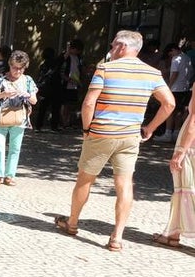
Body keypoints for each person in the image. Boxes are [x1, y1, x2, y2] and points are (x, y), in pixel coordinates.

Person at [54, 30, 175, 252]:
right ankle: (117, 237)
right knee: (125, 184)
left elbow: (89, 103)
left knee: (85, 179)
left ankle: (72, 223)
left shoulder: (106, 69)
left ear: (121, 47)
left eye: (112, 46)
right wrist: (150, 128)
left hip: (101, 133)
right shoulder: (152, 73)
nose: (110, 50)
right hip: (129, 136)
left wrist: (86, 129)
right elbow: (169, 104)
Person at [0, 50, 38, 187]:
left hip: (19, 118)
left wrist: (27, 94)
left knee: (15, 148)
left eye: (21, 68)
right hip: (1, 117)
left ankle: (10, 176)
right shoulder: (1, 79)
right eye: (15, 67)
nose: (18, 71)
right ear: (10, 65)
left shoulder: (28, 80)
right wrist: (3, 94)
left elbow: (34, 100)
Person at [152, 93, 194, 248]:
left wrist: (181, 151)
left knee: (185, 188)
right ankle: (172, 234)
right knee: (185, 190)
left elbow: (194, 120)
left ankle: (172, 234)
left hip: (191, 144)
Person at [162, 42, 191, 142]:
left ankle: (168, 133)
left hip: (175, 88)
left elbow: (174, 73)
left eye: (170, 53)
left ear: (173, 50)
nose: (170, 56)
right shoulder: (187, 58)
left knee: (169, 111)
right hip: (185, 88)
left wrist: (168, 87)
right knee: (179, 111)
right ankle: (176, 133)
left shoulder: (176, 59)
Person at [33, 46, 64, 131]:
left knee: (42, 108)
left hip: (45, 89)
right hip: (55, 88)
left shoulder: (43, 65)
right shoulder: (55, 63)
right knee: (55, 108)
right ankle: (54, 126)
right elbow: (61, 59)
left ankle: (38, 126)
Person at [59, 38, 85, 130]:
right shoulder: (66, 56)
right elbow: (60, 68)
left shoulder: (78, 58)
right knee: (65, 104)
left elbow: (79, 69)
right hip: (66, 83)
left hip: (75, 82)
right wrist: (66, 78)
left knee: (71, 104)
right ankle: (63, 122)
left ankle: (68, 121)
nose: (77, 52)